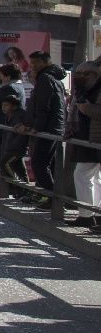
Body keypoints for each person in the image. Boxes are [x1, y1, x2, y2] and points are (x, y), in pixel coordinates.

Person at [24, 50, 68, 206]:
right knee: (49, 164)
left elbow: (44, 106)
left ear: (45, 62)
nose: (33, 66)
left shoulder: (45, 78)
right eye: (32, 63)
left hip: (48, 128)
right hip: (54, 126)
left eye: (36, 63)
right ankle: (52, 198)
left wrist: (37, 127)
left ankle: (53, 198)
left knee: (39, 163)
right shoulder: (54, 78)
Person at [67, 62, 100, 230]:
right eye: (79, 74)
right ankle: (91, 213)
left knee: (83, 175)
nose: (81, 77)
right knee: (92, 176)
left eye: (85, 74)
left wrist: (86, 107)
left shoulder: (95, 89)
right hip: (87, 137)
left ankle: (88, 214)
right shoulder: (83, 90)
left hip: (94, 137)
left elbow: (94, 111)